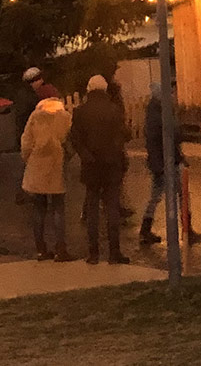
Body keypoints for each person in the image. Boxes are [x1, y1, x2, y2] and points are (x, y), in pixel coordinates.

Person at [68, 74, 130, 264]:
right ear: (104, 89)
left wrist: (86, 155)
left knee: (92, 210)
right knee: (112, 208)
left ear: (89, 89)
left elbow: (74, 138)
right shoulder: (114, 110)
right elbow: (124, 134)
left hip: (91, 166)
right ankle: (114, 252)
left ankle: (93, 253)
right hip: (111, 165)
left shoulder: (80, 112)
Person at [139, 83, 201, 247]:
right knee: (176, 195)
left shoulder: (159, 110)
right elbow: (165, 136)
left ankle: (148, 229)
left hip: (168, 160)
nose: (174, 95)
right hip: (165, 161)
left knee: (169, 195)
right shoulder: (159, 113)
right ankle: (185, 229)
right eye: (171, 92)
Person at [20, 87, 73, 261]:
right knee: (58, 208)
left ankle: (41, 249)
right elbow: (70, 142)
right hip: (56, 166)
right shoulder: (65, 117)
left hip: (37, 167)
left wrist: (29, 159)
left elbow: (26, 143)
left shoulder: (35, 117)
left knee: (38, 209)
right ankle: (60, 249)